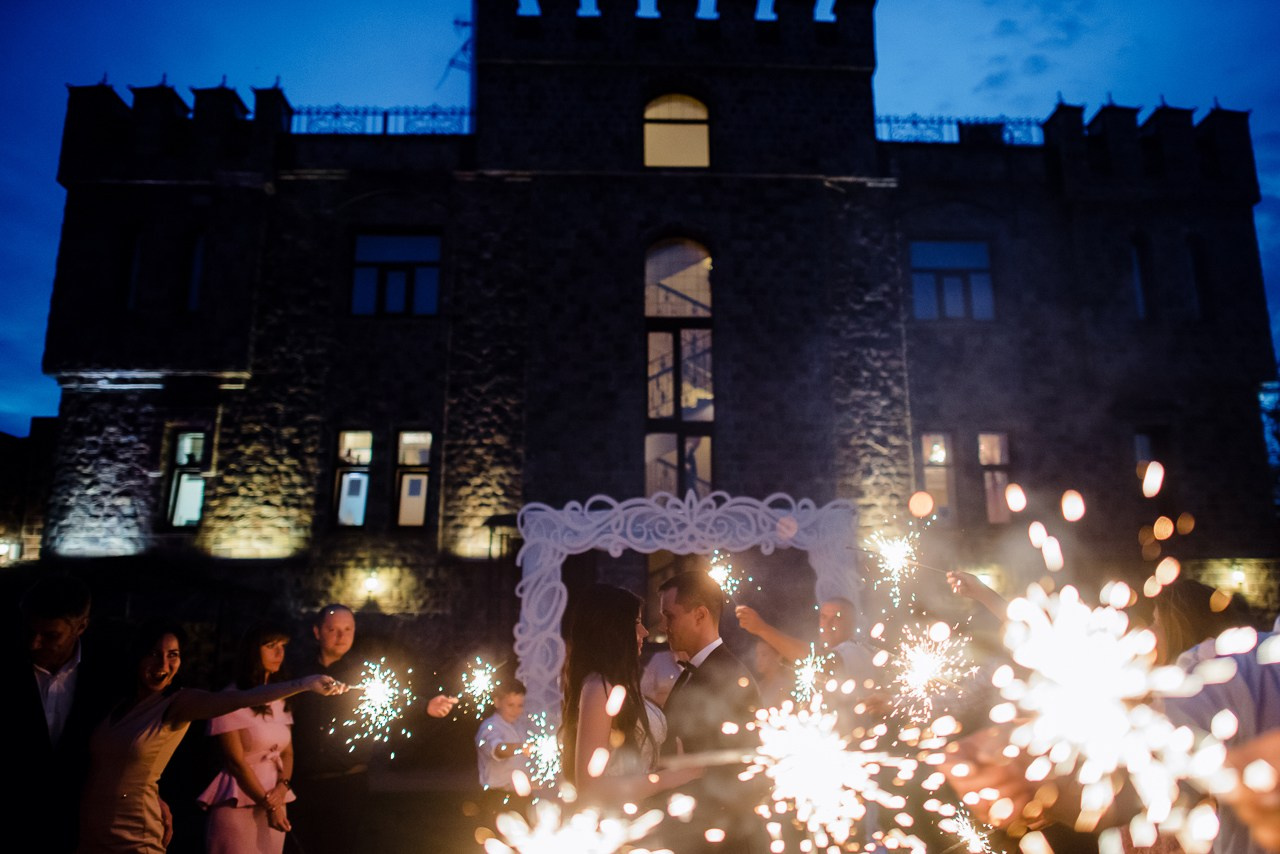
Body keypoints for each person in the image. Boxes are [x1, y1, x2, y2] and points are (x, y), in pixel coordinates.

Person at [75, 618, 346, 854]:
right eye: (154, 654)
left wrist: (304, 684)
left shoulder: (178, 703)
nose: (164, 664)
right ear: (138, 655)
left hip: (134, 831)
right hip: (89, 830)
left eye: (173, 655)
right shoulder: (114, 704)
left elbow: (239, 700)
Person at [288, 603, 456, 854]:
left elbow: (393, 699)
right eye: (333, 629)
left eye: (348, 629)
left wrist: (425, 707)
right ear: (317, 632)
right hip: (303, 784)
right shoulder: (299, 674)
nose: (341, 636)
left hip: (347, 784)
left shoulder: (359, 672)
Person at [4, 573, 114, 853]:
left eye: (50, 635)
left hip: (79, 826)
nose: (34, 643)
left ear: (81, 627)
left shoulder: (108, 673)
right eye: (29, 632)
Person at [562, 583, 698, 805]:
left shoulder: (617, 686)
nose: (644, 632)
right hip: (612, 820)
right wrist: (671, 778)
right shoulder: (599, 688)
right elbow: (589, 785)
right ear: (611, 629)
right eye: (636, 623)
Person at [196, 619, 300, 854]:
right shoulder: (230, 700)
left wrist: (281, 790)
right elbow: (236, 762)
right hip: (239, 801)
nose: (279, 652)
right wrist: (270, 805)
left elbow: (288, 752)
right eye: (270, 645)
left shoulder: (280, 698)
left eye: (283, 646)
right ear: (253, 651)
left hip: (276, 800)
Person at [735, 596, 878, 692]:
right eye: (824, 617)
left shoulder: (858, 653)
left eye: (837, 618)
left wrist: (762, 628)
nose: (828, 624)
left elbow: (819, 661)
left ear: (852, 624)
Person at [475, 679, 530, 798]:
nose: (516, 710)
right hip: (497, 795)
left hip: (519, 794)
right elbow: (498, 749)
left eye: (520, 705)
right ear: (497, 702)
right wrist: (521, 747)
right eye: (510, 705)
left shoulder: (519, 727)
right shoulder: (490, 727)